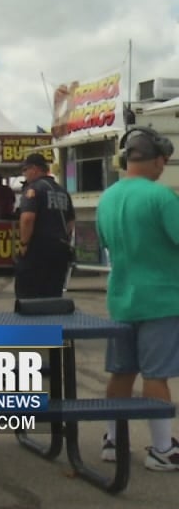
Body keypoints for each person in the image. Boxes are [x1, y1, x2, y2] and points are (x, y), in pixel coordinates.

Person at [96, 127, 179, 469]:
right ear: (158, 160)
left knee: (122, 372)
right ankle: (162, 449)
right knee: (155, 376)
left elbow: (105, 243)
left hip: (121, 298)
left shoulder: (107, 198)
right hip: (162, 299)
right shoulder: (162, 198)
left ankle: (113, 441)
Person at [15, 153, 75, 299]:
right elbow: (70, 222)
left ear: (35, 169)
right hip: (59, 250)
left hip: (37, 250)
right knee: (53, 296)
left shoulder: (33, 189)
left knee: (28, 296)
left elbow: (28, 218)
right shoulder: (62, 191)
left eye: (25, 170)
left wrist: (23, 244)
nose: (24, 174)